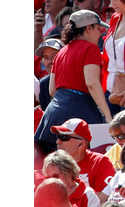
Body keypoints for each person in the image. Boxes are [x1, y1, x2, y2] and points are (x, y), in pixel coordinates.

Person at [35, 11, 113, 154]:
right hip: (79, 112)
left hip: (53, 114)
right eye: (98, 28)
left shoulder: (62, 52)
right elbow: (92, 83)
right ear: (88, 28)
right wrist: (108, 115)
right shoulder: (91, 49)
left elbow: (52, 90)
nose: (100, 33)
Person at [49, 118, 116, 197]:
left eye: (64, 137)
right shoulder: (53, 162)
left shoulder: (100, 162)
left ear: (81, 143)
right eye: (58, 136)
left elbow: (102, 199)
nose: (58, 141)